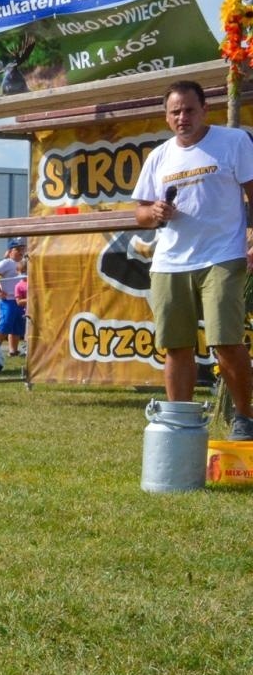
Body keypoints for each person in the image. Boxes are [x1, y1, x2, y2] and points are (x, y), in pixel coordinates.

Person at [132, 80, 253, 438]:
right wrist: (155, 212)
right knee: (176, 345)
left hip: (223, 256)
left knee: (225, 340)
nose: (182, 117)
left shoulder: (234, 141)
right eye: (175, 112)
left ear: (204, 110)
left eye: (189, 110)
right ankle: (180, 424)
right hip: (170, 262)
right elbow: (140, 213)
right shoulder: (159, 156)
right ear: (166, 117)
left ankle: (245, 418)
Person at [0, 238, 26, 357]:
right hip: (8, 299)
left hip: (20, 299)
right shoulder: (6, 263)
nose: (20, 252)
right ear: (10, 251)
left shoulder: (24, 263)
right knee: (6, 323)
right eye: (17, 249)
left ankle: (13, 350)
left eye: (22, 249)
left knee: (17, 324)